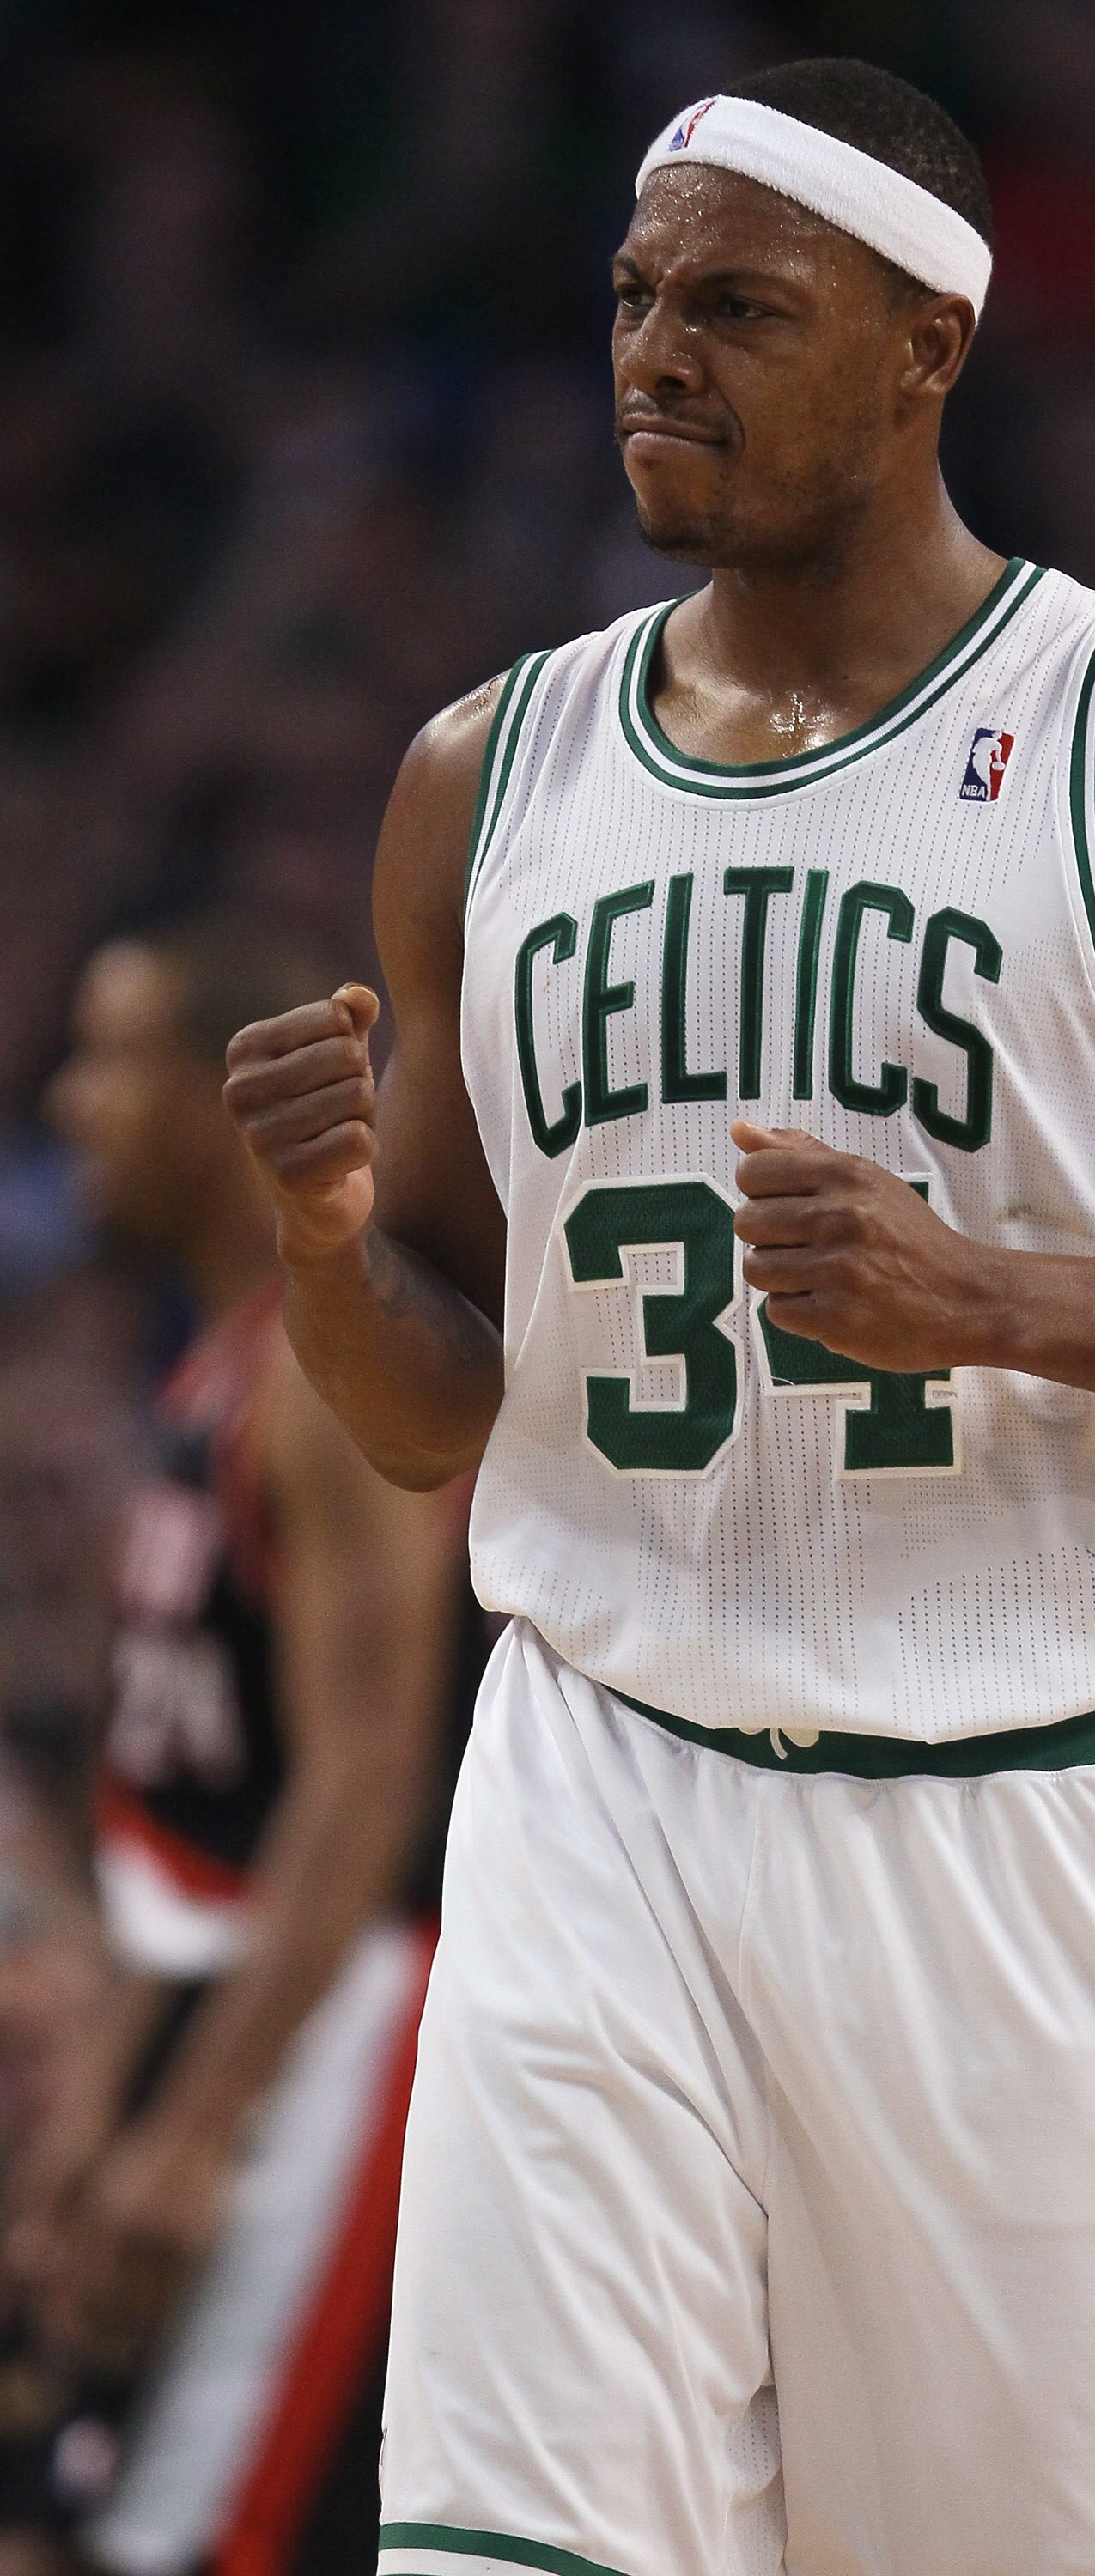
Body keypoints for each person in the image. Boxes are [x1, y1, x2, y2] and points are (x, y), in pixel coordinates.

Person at [222, 58, 1095, 2576]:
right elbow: (432, 1415)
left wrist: (1010, 1303)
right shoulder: (482, 776)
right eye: (635, 296)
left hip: (1041, 1830)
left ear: (928, 342)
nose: (657, 353)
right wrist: (321, 1244)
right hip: (602, 1789)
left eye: (739, 308)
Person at [1, 915, 481, 2576]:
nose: (72, 1103)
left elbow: (364, 1787)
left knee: (205, 2538)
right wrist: (105, 2109)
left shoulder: (320, 1387)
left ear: (224, 1101)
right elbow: (189, 1827)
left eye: (113, 1057)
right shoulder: (212, 1372)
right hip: (227, 2008)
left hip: (341, 2030)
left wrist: (195, 2124)